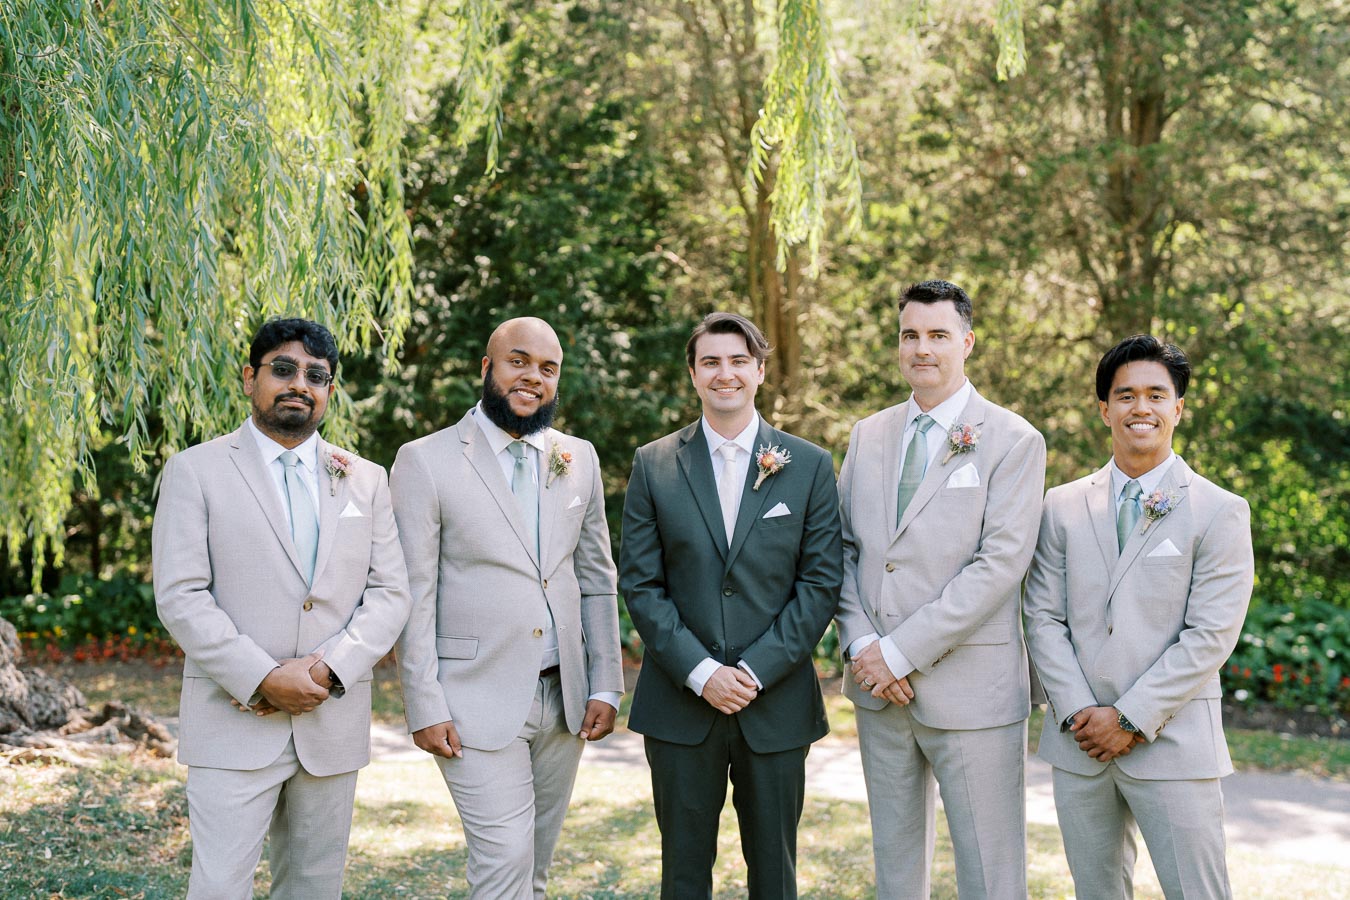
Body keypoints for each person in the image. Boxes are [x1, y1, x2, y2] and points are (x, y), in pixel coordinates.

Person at [153, 317, 413, 899]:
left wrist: (326, 670)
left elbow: (390, 593)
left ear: (329, 390)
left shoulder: (366, 480)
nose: (300, 384)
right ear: (251, 378)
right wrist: (264, 677)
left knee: (315, 887)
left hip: (331, 721)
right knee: (219, 887)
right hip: (232, 720)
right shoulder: (195, 471)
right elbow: (181, 595)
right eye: (284, 369)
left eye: (316, 376)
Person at [391, 317, 624, 900]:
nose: (533, 377)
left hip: (565, 698)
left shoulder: (579, 457)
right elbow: (412, 593)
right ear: (487, 367)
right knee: (504, 862)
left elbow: (596, 578)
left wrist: (606, 683)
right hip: (471, 698)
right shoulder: (425, 460)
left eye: (548, 369)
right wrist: (423, 702)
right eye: (518, 361)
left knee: (535, 868)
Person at [619, 311, 842, 899]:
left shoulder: (809, 465)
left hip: (775, 705)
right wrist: (702, 673)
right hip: (680, 706)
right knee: (683, 875)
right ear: (693, 374)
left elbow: (820, 584)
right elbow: (641, 585)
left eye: (739, 361)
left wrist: (751, 672)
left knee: (775, 876)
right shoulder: (654, 464)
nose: (726, 373)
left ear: (760, 371)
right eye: (711, 362)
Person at [835, 280, 1046, 899]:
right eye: (910, 335)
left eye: (937, 335)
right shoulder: (867, 435)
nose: (921, 348)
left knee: (990, 875)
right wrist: (863, 648)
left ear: (967, 342)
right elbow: (842, 551)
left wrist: (898, 653)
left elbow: (999, 565)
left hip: (973, 693)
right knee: (896, 870)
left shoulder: (1014, 440)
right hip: (878, 691)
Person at [1024, 335, 1253, 899]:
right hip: (1080, 745)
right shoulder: (1061, 505)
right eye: (1125, 395)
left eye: (1156, 395)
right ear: (1105, 409)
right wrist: (1081, 712)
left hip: (1175, 744)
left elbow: (1210, 636)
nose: (1140, 408)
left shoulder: (1219, 510)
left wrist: (1128, 718)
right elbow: (1042, 617)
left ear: (1178, 407)